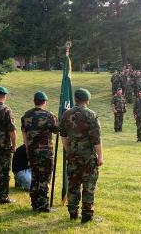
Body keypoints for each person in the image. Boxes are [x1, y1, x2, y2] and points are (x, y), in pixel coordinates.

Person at [59, 88, 103, 223]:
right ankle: (87, 215)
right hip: (88, 157)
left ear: (76, 99)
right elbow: (96, 140)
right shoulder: (91, 115)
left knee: (73, 184)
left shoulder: (66, 114)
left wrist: (68, 151)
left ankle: (73, 213)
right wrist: (100, 156)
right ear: (87, 100)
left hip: (73, 156)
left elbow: (64, 136)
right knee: (88, 186)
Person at [21, 91, 58, 212]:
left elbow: (24, 134)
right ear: (45, 102)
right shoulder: (49, 116)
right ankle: (42, 205)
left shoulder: (26, 116)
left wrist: (27, 148)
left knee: (35, 177)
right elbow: (57, 130)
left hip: (32, 152)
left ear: (34, 101)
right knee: (44, 178)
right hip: (45, 153)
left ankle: (34, 203)